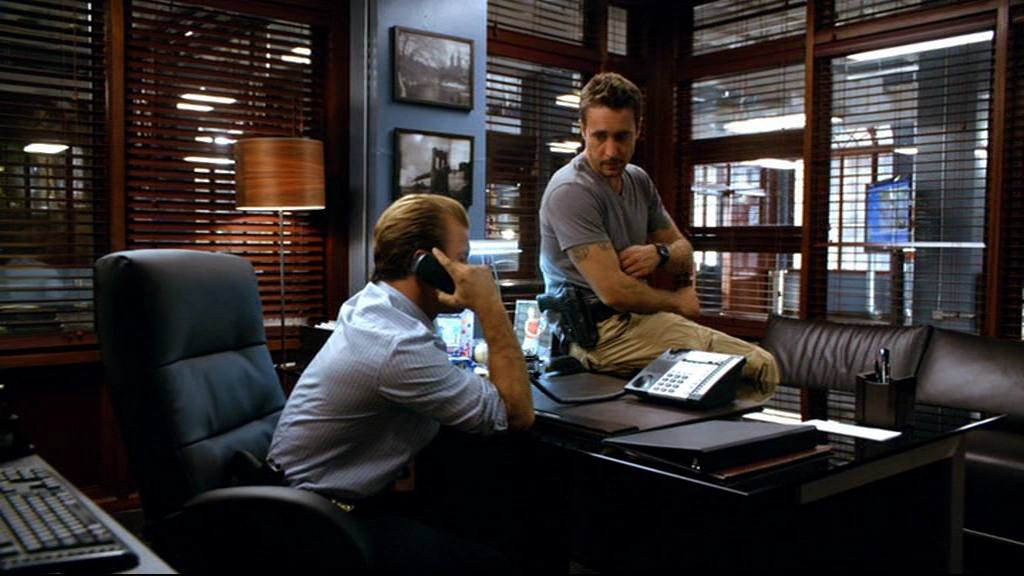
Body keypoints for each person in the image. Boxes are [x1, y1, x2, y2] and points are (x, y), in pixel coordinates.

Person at [268, 193, 533, 574]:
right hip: (316, 523)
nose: (468, 270)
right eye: (461, 258)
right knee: (491, 563)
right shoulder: (396, 343)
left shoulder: (375, 306)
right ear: (425, 264)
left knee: (480, 506)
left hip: (317, 498)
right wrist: (490, 305)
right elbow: (515, 413)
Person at [538, 72, 779, 400]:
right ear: (582, 130)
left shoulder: (638, 180)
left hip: (640, 321)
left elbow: (683, 251)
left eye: (622, 137)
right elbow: (615, 292)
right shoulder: (571, 190)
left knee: (745, 373)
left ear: (638, 129)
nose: (611, 151)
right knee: (759, 365)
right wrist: (677, 302)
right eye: (600, 136)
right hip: (598, 336)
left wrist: (659, 255)